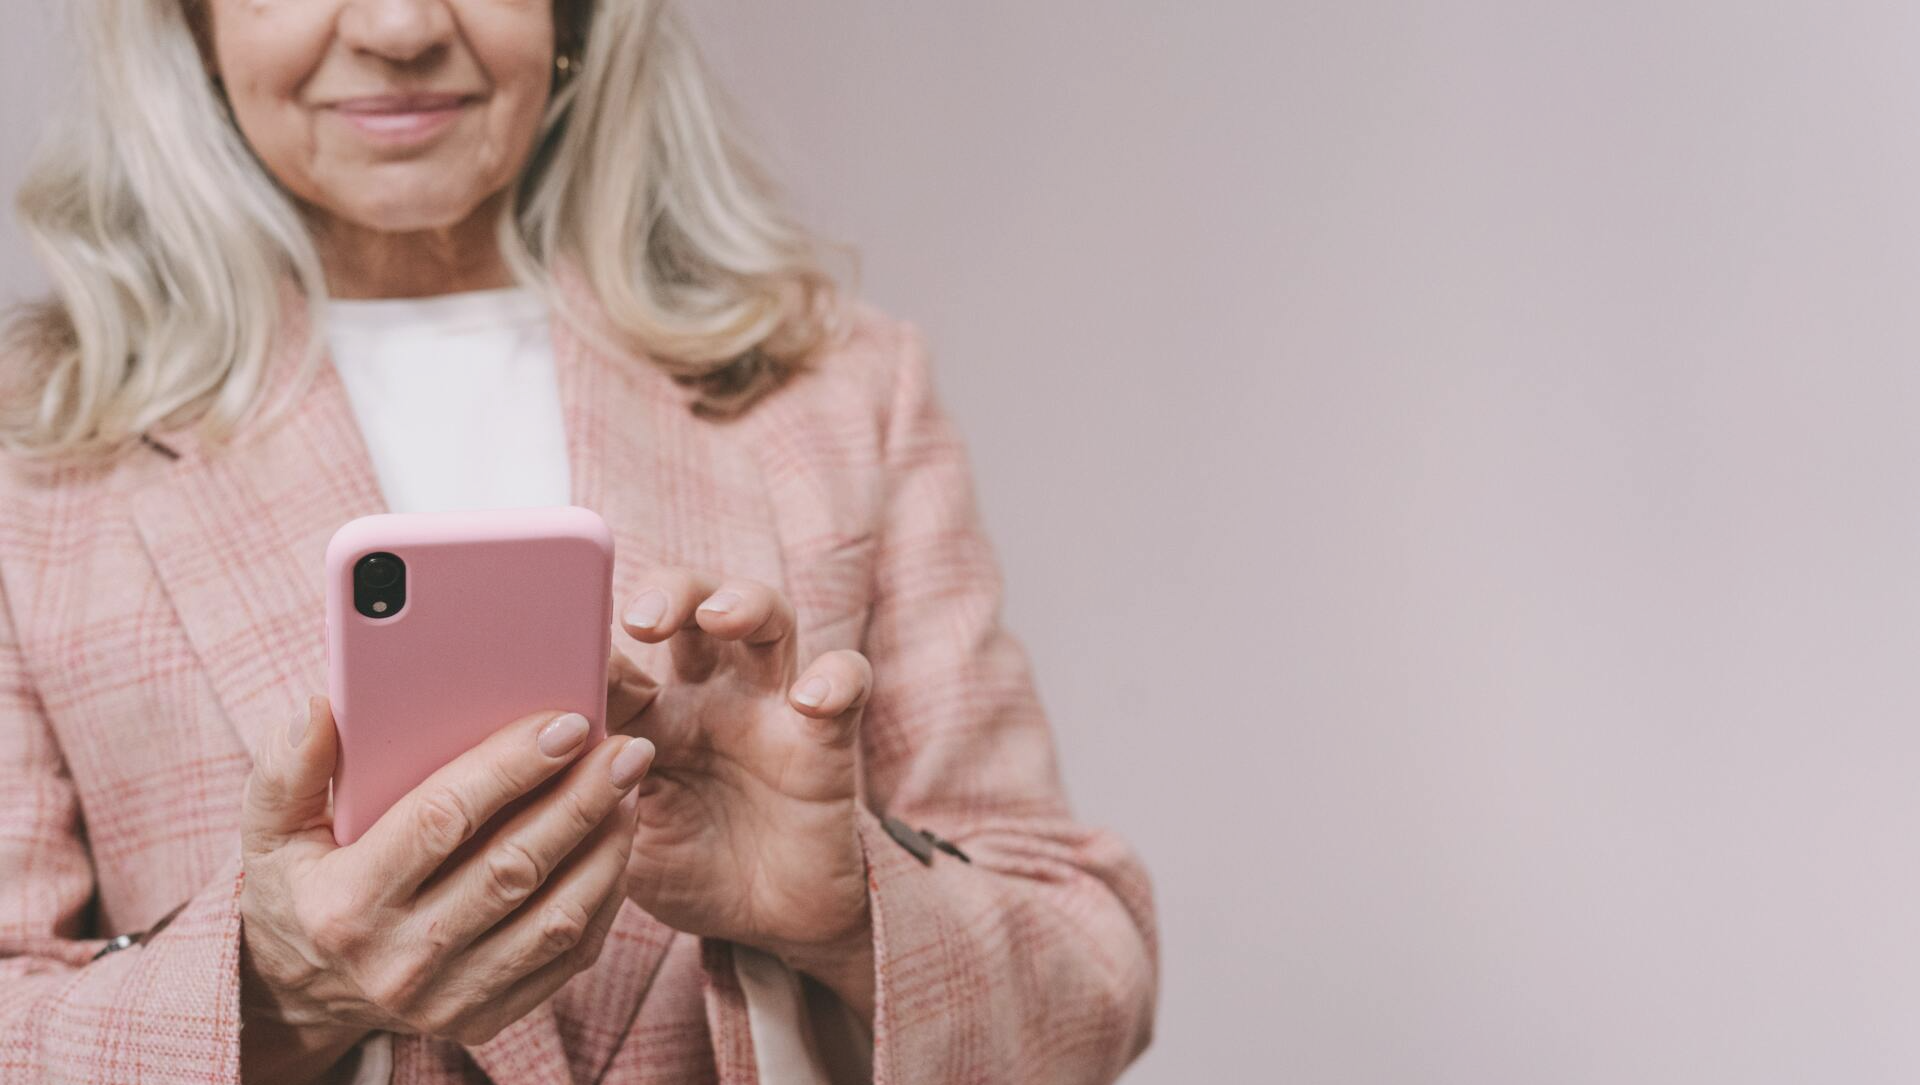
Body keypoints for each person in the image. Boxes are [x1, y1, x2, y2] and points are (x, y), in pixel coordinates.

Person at [0, 1, 1157, 1083]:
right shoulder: (31, 451)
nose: (403, 27)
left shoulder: (843, 390)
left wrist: (846, 909)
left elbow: (1093, 971)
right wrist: (267, 987)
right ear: (189, 21)